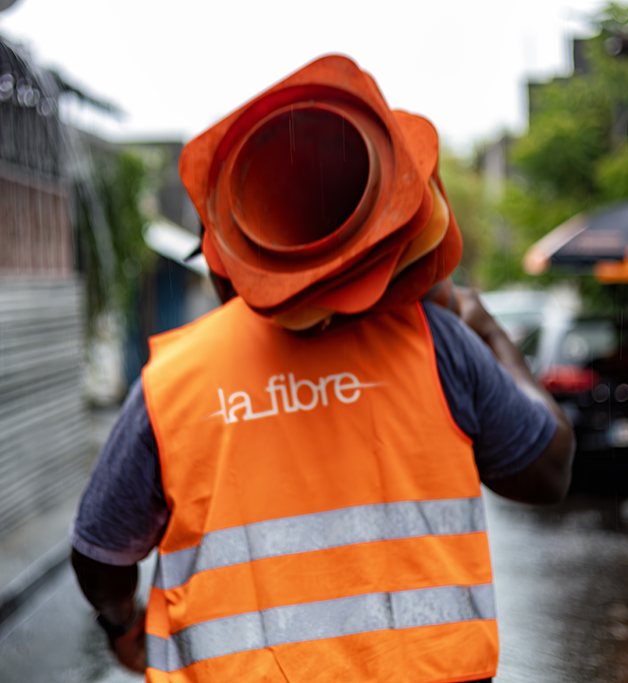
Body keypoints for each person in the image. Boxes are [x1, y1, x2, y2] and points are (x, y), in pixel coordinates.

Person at [70, 55, 575, 683]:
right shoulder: (436, 340)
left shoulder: (175, 381)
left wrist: (122, 623)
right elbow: (547, 470)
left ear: (221, 254)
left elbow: (99, 549)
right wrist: (487, 328)